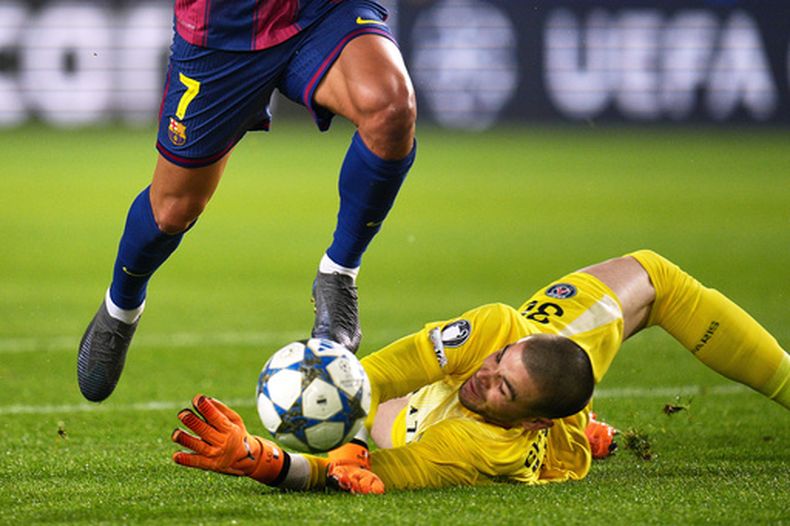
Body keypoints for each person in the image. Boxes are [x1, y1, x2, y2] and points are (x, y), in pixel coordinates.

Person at [170, 250, 790, 493]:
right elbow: (385, 369)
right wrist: (344, 391)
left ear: (534, 417)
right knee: (653, 276)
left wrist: (260, 458)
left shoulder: (478, 447)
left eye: (501, 387)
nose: (483, 375)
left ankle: (584, 434)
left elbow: (364, 476)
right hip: (555, 382)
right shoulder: (501, 333)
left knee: (382, 427)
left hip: (475, 440)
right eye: (496, 364)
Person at [77, 0, 417, 402]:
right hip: (223, 32)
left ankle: (339, 272)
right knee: (173, 210)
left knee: (391, 108)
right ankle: (122, 306)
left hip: (320, 11)